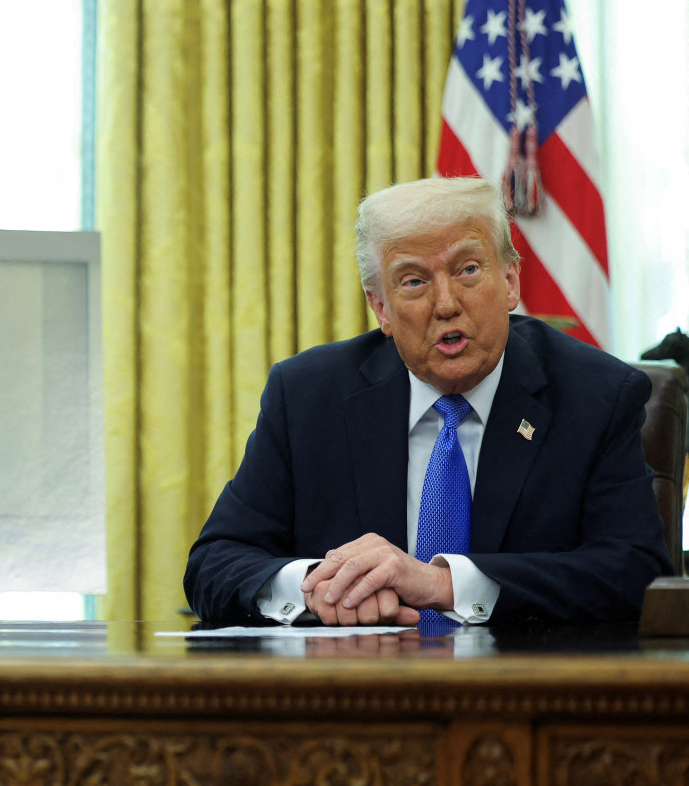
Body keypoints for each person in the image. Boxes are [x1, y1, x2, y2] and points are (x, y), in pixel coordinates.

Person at [184, 176, 673, 627]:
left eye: (467, 270)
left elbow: (636, 572)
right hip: (357, 700)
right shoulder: (309, 396)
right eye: (414, 281)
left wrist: (443, 584)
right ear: (381, 307)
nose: (445, 304)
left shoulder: (596, 395)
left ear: (510, 282)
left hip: (525, 700)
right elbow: (216, 561)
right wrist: (321, 587)